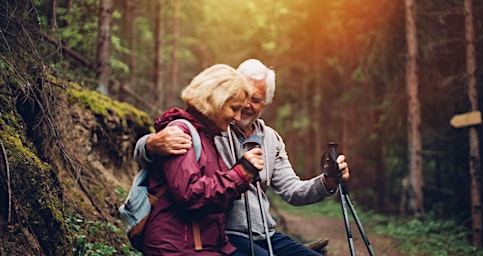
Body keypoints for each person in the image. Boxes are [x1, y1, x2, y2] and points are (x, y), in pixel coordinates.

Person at [135, 59, 350, 256]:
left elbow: (292, 190)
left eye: (255, 100)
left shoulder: (271, 139)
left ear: (266, 103)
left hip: (266, 235)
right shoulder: (215, 127)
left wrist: (327, 182)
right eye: (241, 98)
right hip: (226, 236)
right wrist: (149, 144)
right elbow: (173, 154)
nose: (245, 107)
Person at [142, 64, 265, 255]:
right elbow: (190, 194)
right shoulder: (181, 134)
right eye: (234, 108)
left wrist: (242, 175)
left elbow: (216, 198)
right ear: (216, 100)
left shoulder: (207, 137)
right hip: (177, 248)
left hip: (205, 244)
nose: (238, 117)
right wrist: (241, 174)